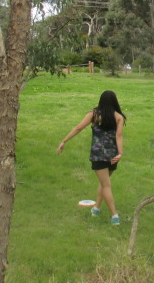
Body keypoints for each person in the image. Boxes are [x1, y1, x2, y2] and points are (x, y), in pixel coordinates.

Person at [57, 90, 126, 224]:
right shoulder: (119, 117)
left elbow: (79, 127)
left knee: (106, 185)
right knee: (104, 183)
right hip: (112, 154)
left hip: (98, 154)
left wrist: (64, 141)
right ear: (114, 101)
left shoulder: (93, 114)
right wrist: (120, 153)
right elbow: (118, 136)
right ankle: (96, 209)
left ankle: (114, 216)